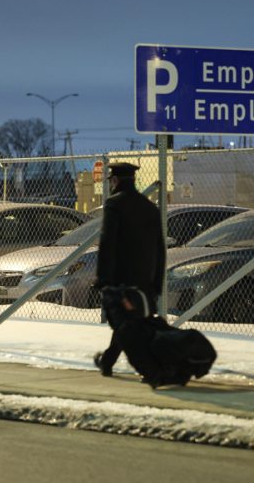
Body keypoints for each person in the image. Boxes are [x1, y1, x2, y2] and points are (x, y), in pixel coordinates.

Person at [93, 162, 166, 381]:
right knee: (130, 324)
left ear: (115, 181)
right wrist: (157, 283)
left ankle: (149, 369)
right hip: (144, 280)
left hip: (120, 280)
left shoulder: (114, 204)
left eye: (111, 181)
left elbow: (108, 243)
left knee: (127, 327)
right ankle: (107, 361)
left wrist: (103, 278)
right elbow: (160, 248)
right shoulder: (150, 207)